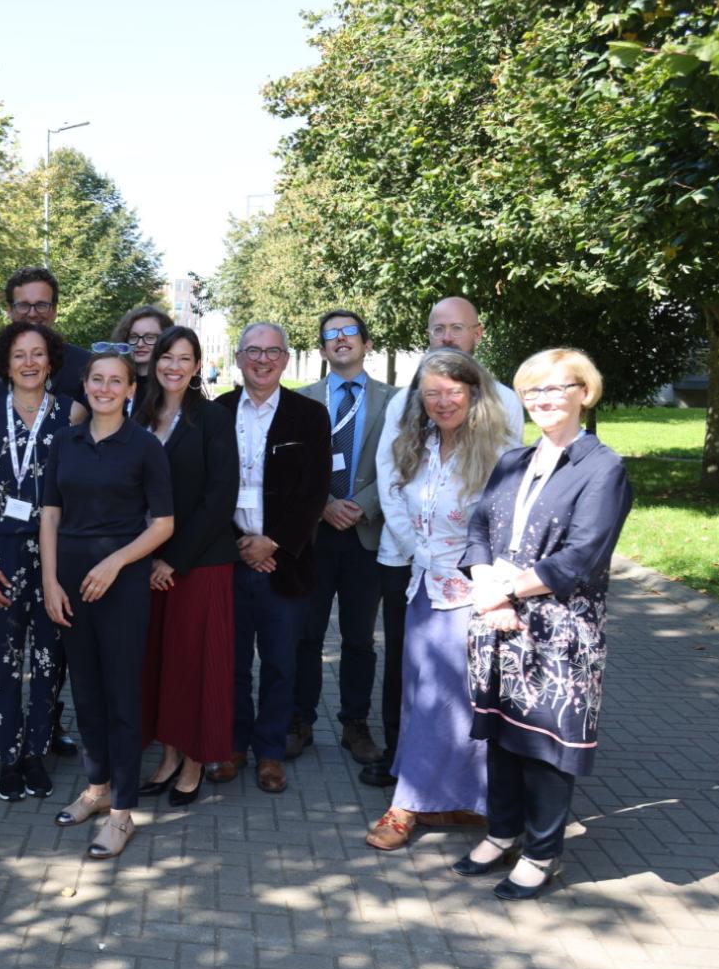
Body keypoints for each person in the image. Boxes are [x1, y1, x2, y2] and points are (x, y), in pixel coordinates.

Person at [454, 348, 632, 900]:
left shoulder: (603, 467)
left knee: (546, 745)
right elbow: (478, 528)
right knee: (503, 737)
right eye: (534, 391)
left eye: (558, 388)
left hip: (559, 634)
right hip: (498, 622)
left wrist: (502, 588)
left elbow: (580, 559)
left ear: (585, 392)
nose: (545, 399)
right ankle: (503, 830)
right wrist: (489, 589)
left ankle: (542, 851)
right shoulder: (512, 460)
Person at [364, 296, 524, 788]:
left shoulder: (503, 401)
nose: (447, 337)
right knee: (405, 665)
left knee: (464, 674)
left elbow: (502, 487)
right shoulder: (406, 401)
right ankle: (400, 757)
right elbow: (389, 476)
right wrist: (417, 544)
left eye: (457, 328)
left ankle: (465, 773)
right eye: (439, 329)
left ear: (477, 333)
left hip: (471, 569)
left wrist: (470, 558)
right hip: (406, 557)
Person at [42, 350, 174, 859]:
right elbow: (50, 514)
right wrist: (52, 581)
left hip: (121, 582)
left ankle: (122, 811)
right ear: (86, 385)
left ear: (130, 390)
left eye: (115, 380)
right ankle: (95, 790)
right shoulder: (65, 442)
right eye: (96, 379)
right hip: (71, 580)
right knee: (86, 691)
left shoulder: (144, 447)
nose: (104, 388)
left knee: (122, 695)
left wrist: (115, 563)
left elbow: (163, 524)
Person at [0, 267, 89, 759]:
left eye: (38, 354)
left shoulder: (72, 411)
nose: (30, 361)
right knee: (4, 651)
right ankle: (7, 743)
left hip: (56, 548)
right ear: (6, 362)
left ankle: (38, 744)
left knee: (49, 652)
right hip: (4, 547)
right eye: (20, 354)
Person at [213, 323, 331, 794]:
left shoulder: (309, 415)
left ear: (286, 359)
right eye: (254, 351)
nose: (263, 360)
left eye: (273, 352)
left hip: (287, 562)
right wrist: (239, 544)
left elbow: (315, 490)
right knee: (233, 663)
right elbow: (204, 489)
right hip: (228, 558)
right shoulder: (216, 413)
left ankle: (270, 753)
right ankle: (234, 745)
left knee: (281, 663)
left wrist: (273, 542)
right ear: (239, 358)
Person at [134, 327, 239, 803]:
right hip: (145, 559)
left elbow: (220, 499)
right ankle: (169, 756)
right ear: (155, 361)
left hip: (199, 563)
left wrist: (172, 560)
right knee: (162, 665)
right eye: (166, 357)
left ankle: (194, 762)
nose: (174, 366)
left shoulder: (213, 419)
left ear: (197, 366)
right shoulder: (140, 413)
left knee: (196, 666)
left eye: (185, 358)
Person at [289, 311, 398, 765]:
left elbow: (403, 462)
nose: (340, 340)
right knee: (306, 635)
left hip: (366, 534)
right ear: (321, 350)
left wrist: (363, 505)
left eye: (348, 332)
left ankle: (355, 724)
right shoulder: (300, 401)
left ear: (366, 344)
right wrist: (324, 505)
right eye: (330, 335)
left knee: (358, 639)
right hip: (313, 536)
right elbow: (293, 471)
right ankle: (299, 720)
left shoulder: (397, 401)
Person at [0, 267, 91, 421]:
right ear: (9, 310)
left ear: (54, 310)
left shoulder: (84, 363)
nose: (32, 313)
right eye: (23, 305)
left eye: (41, 305)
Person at [108, 305, 173, 410]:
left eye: (150, 337)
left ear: (167, 340)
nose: (140, 344)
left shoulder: (172, 389)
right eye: (134, 337)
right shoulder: (117, 386)